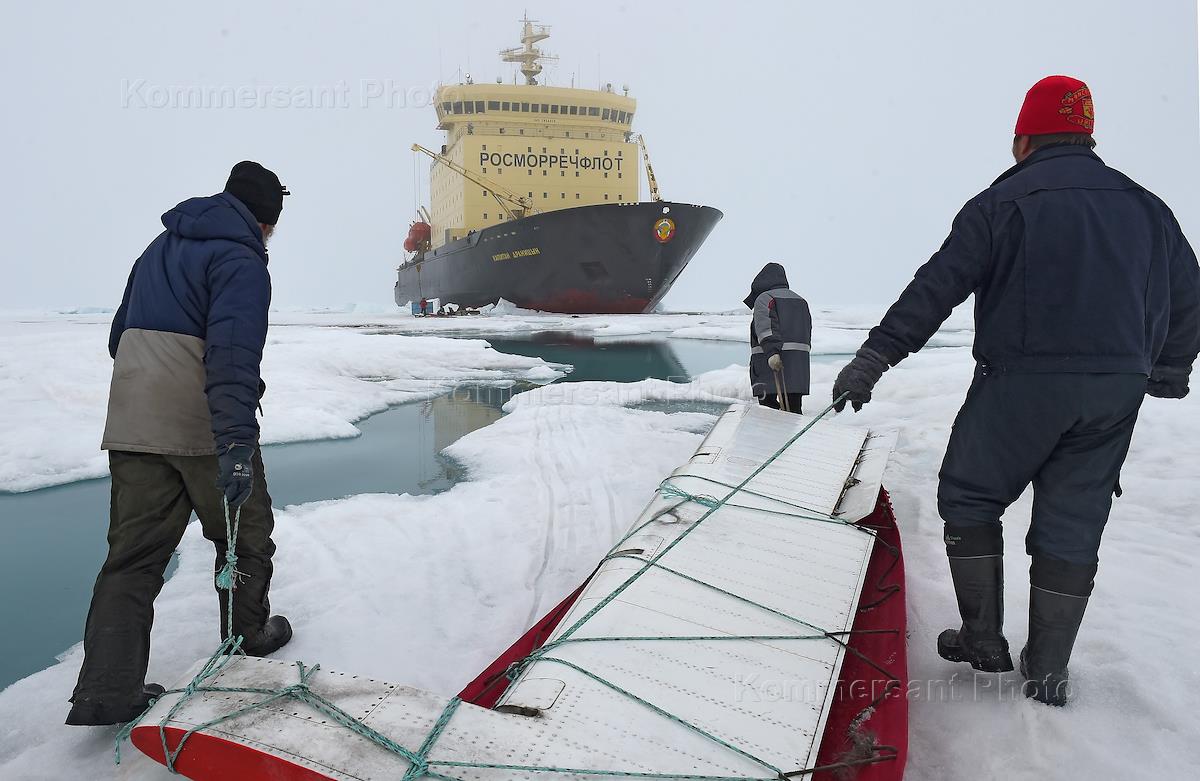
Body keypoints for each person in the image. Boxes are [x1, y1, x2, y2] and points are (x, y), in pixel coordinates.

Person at [832, 76, 1200, 706]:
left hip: (1022, 384)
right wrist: (1167, 369)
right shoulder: (1147, 207)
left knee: (969, 495)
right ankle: (1048, 670)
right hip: (1115, 391)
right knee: (1074, 518)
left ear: (1022, 138)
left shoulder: (1002, 203)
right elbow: (1189, 294)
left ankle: (984, 639)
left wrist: (874, 358)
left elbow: (936, 288)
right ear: (1086, 134)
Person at [66, 162, 294, 726]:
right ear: (266, 219)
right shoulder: (241, 259)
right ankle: (247, 641)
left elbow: (118, 335)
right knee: (243, 534)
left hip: (133, 418)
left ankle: (106, 689)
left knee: (133, 557)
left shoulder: (157, 248)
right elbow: (233, 357)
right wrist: (236, 442)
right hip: (200, 423)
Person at [745, 262, 812, 413]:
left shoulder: (765, 298)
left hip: (770, 364)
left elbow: (766, 327)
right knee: (794, 410)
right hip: (798, 366)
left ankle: (776, 437)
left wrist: (772, 353)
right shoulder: (801, 301)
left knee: (769, 410)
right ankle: (795, 435)